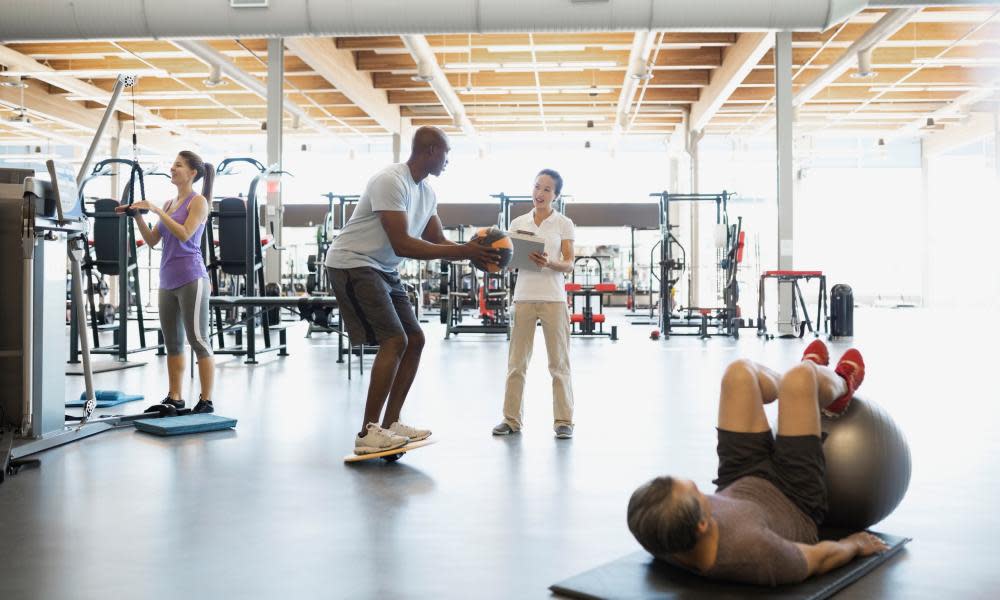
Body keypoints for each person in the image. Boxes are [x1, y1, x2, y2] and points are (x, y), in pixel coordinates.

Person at [626, 340, 888, 586]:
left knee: (738, 374)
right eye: (695, 491)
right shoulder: (755, 553)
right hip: (793, 496)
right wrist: (854, 546)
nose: (697, 485)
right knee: (801, 378)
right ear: (703, 524)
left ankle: (801, 387)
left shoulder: (655, 528)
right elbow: (818, 560)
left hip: (738, 477)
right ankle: (839, 384)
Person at [326, 126, 500, 455]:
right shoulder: (390, 180)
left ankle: (391, 423)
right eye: (446, 153)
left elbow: (439, 242)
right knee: (395, 340)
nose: (448, 161)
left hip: (384, 268)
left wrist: (475, 253)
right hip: (353, 263)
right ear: (431, 151)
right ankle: (367, 433)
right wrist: (464, 252)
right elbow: (403, 243)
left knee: (415, 339)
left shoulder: (427, 193)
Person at [125, 151, 215, 414]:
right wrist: (139, 216)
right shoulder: (168, 203)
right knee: (173, 342)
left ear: (192, 173)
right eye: (173, 164)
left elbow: (186, 234)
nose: (172, 168)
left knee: (198, 339)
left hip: (191, 277)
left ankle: (206, 400)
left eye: (178, 165)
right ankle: (174, 396)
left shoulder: (198, 202)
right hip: (167, 280)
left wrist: (154, 209)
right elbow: (153, 241)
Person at [492, 169, 576, 439]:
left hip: (554, 298)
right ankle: (511, 419)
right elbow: (508, 259)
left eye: (547, 190)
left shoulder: (564, 223)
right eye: (537, 187)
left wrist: (549, 262)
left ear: (556, 195)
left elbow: (569, 263)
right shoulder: (517, 222)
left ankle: (564, 421)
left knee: (559, 364)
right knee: (516, 363)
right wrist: (503, 263)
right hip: (524, 296)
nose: (539, 194)